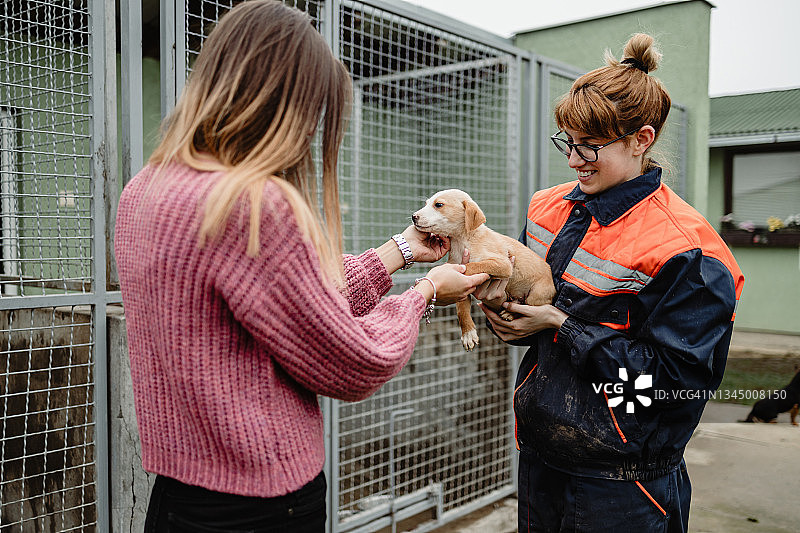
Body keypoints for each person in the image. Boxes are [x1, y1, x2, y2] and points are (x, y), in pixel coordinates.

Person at [113, 2, 489, 531]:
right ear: (285, 105)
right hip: (264, 504)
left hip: (178, 499)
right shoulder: (251, 204)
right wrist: (424, 292)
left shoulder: (143, 190)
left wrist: (400, 251)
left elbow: (287, 301)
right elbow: (354, 359)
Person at [475, 34, 744, 532]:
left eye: (590, 147)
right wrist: (503, 312)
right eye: (568, 142)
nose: (573, 160)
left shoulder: (690, 252)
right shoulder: (548, 207)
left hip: (624, 483)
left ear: (641, 140)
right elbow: (526, 307)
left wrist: (560, 324)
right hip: (540, 457)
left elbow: (671, 387)